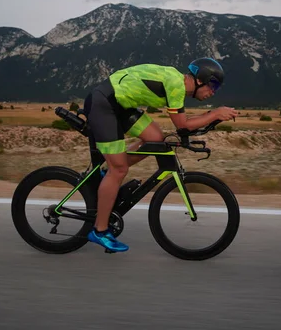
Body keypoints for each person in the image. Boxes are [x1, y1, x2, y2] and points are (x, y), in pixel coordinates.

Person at [82, 57, 238, 252]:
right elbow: (182, 125)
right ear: (200, 80)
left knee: (155, 138)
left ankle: (108, 173)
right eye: (213, 85)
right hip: (104, 104)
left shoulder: (177, 86)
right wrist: (214, 114)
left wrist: (211, 118)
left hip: (121, 105)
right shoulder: (176, 85)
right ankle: (100, 230)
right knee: (119, 170)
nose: (213, 92)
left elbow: (183, 126)